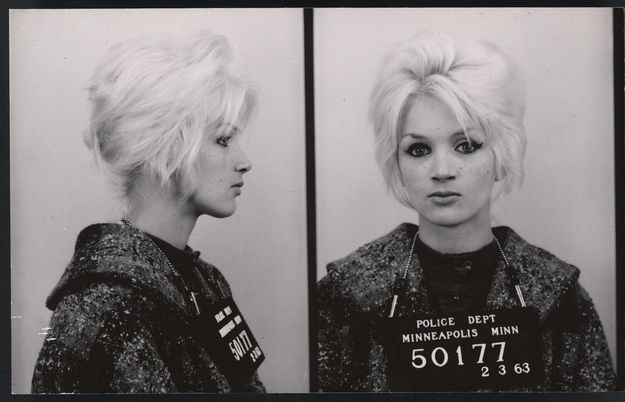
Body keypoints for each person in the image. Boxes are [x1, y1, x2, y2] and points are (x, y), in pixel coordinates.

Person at [316, 32, 616, 392]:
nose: (442, 170)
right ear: (395, 162)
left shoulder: (562, 299)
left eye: (466, 145)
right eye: (419, 150)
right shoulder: (341, 299)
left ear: (502, 157)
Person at [31, 31, 265, 393]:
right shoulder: (102, 310)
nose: (245, 162)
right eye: (222, 140)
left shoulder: (207, 282)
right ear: (164, 148)